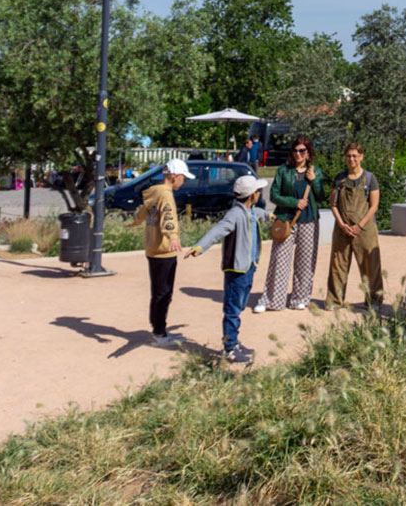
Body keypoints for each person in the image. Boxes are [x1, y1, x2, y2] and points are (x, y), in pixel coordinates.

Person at [186, 174, 272, 363]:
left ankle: (234, 341)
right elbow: (217, 230)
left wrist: (270, 215)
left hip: (249, 267)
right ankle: (229, 348)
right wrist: (200, 246)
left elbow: (259, 215)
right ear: (251, 195)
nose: (260, 193)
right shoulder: (235, 214)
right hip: (236, 269)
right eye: (258, 191)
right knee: (232, 309)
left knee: (239, 306)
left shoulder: (250, 211)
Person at [128, 158, 195, 348]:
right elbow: (168, 215)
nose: (183, 182)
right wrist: (172, 235)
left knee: (157, 291)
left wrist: (137, 221)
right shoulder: (166, 196)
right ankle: (159, 333)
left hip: (152, 247)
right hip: (164, 250)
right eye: (183, 178)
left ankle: (158, 327)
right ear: (175, 176)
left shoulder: (155, 192)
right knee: (164, 292)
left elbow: (144, 209)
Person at [255, 134, 325, 312]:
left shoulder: (315, 171)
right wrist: (294, 203)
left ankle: (300, 298)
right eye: (295, 151)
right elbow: (274, 195)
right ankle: (272, 300)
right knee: (279, 259)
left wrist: (314, 181)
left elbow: (321, 196)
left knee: (305, 261)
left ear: (308, 153)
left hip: (309, 219)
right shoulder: (283, 170)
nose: (298, 154)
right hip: (285, 220)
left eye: (302, 151)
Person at [325, 142, 384, 310]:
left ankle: (374, 301)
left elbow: (374, 205)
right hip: (342, 230)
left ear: (361, 157)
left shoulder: (370, 179)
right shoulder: (339, 179)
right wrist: (342, 224)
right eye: (348, 156)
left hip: (364, 230)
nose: (351, 159)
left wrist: (359, 225)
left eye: (355, 156)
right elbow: (333, 204)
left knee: (370, 266)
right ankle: (334, 301)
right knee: (338, 266)